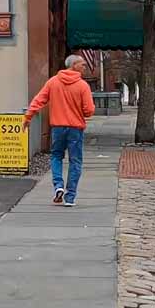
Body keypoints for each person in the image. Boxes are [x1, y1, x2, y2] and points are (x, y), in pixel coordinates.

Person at [23, 55, 95, 207]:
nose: (84, 67)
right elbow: (89, 111)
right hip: (75, 129)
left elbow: (39, 100)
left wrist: (28, 116)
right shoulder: (83, 86)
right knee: (75, 161)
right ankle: (70, 197)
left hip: (57, 128)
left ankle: (58, 186)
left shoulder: (53, 82)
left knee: (56, 157)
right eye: (82, 64)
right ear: (74, 65)